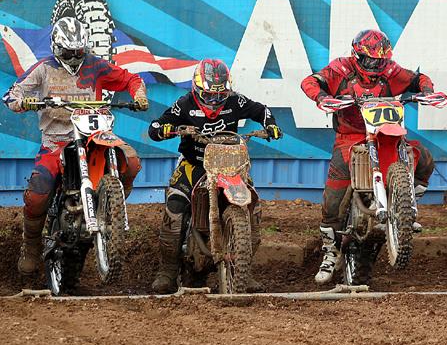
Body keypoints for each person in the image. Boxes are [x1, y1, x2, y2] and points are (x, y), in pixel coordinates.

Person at [2, 17, 148, 277]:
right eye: (69, 52)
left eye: (79, 51)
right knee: (38, 192)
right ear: (57, 48)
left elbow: (130, 79)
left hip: (96, 136)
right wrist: (21, 101)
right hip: (57, 142)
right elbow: (13, 93)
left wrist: (139, 94)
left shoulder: (96, 66)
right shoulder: (44, 69)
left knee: (131, 160)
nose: (74, 56)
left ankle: (109, 206)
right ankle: (31, 247)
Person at [300, 29, 447, 284]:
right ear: (357, 55)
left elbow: (418, 79)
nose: (374, 64)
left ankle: (403, 208)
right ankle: (330, 250)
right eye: (369, 60)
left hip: (387, 135)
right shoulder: (341, 69)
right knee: (334, 195)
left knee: (423, 159)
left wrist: (426, 90)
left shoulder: (390, 70)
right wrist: (323, 97)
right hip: (351, 137)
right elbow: (310, 81)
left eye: (379, 60)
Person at [148, 58, 282, 294]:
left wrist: (270, 125)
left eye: (219, 96)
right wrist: (167, 129)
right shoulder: (184, 104)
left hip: (230, 166)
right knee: (176, 206)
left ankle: (242, 269)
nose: (214, 101)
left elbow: (262, 110)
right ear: (197, 90)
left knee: (251, 204)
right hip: (194, 164)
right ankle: (167, 270)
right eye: (209, 96)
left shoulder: (235, 101)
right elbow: (155, 128)